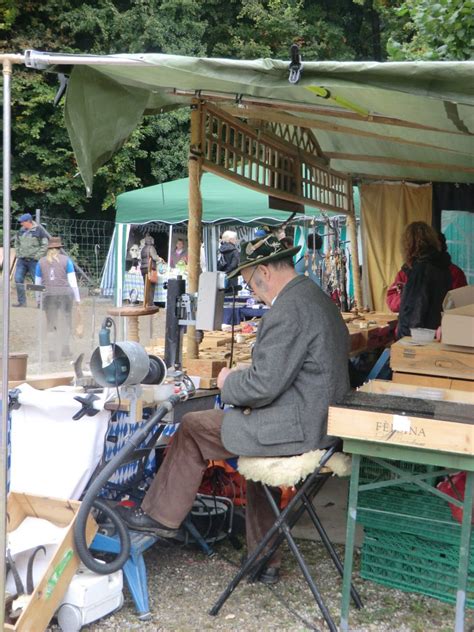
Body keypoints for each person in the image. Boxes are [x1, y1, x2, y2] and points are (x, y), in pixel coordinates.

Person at [117, 233, 350, 583]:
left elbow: (262, 386)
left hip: (300, 427)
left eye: (251, 284)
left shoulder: (289, 309)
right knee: (253, 462)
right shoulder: (315, 297)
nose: (254, 292)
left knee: (194, 426)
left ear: (266, 272)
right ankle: (263, 559)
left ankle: (159, 516)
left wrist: (229, 382)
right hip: (321, 422)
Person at [387, 230, 467, 312]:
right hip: (411, 321)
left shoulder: (454, 273)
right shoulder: (406, 272)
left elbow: (460, 306)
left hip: (441, 322)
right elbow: (392, 302)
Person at [396, 222, 451, 339]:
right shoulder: (442, 267)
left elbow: (414, 312)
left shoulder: (421, 270)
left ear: (409, 245)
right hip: (436, 334)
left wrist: (404, 340)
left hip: (419, 338)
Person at [35, 236, 80, 360]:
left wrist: (38, 299)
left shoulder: (41, 262)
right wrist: (77, 299)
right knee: (66, 322)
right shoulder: (66, 261)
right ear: (59, 248)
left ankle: (51, 352)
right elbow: (72, 281)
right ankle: (65, 348)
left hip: (48, 295)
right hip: (65, 294)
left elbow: (37, 283)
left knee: (51, 325)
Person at [13, 213, 48, 307]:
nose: (21, 224)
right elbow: (16, 243)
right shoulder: (20, 231)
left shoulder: (39, 231)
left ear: (29, 221)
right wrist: (18, 253)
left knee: (37, 282)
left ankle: (40, 303)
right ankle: (22, 302)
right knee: (18, 279)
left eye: (22, 222)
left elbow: (45, 245)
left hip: (34, 261)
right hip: (22, 260)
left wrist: (37, 256)